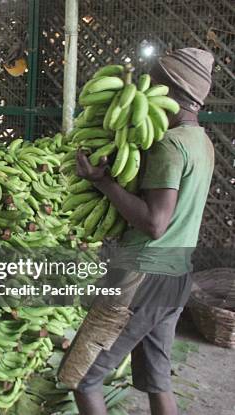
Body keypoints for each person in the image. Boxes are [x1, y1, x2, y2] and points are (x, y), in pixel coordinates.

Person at [58, 48, 215, 415]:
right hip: (178, 276)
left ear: (172, 91)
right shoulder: (202, 143)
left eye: (156, 81)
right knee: (157, 381)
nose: (147, 87)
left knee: (83, 378)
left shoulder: (170, 145)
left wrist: (104, 184)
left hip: (143, 277)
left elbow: (154, 222)